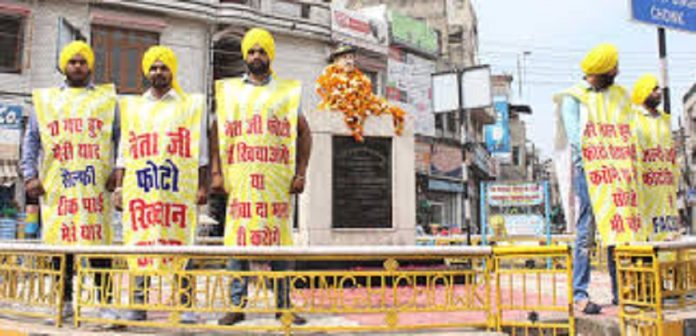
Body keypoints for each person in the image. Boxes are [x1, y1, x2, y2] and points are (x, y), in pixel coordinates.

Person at [212, 27, 311, 326]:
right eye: (251, 51)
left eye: (262, 51)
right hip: (240, 180)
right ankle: (236, 305)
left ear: (271, 55)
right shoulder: (229, 91)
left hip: (276, 182)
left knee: (279, 243)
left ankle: (284, 307)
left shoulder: (286, 91)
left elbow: (304, 131)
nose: (256, 56)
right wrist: (216, 172)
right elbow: (215, 130)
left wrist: (301, 172)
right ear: (245, 56)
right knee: (237, 241)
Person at [20, 40, 120, 321]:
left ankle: (107, 304)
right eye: (73, 61)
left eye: (82, 61)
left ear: (90, 65)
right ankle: (63, 303)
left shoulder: (106, 99)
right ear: (65, 65)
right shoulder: (47, 100)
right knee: (60, 247)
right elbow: (31, 141)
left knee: (98, 246)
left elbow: (121, 138)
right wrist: (29, 175)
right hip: (58, 187)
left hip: (95, 186)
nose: (78, 66)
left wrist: (118, 171)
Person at [113, 45, 208, 323]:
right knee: (140, 243)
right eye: (153, 68)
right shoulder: (133, 107)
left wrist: (202, 186)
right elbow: (123, 152)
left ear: (172, 70)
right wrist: (119, 188)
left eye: (163, 67)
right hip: (142, 190)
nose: (158, 72)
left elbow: (199, 152)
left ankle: (185, 304)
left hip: (177, 190)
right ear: (146, 71)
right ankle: (138, 303)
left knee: (182, 244)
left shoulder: (188, 106)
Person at [553, 43, 641, 314]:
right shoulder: (574, 97)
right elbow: (576, 137)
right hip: (590, 171)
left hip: (618, 172)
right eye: (613, 66)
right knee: (586, 231)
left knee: (618, 230)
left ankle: (621, 292)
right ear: (603, 70)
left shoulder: (620, 95)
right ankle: (580, 293)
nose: (617, 70)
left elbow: (630, 126)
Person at [631, 74, 680, 242]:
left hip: (666, 186)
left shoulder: (665, 120)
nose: (659, 92)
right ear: (643, 92)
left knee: (670, 237)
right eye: (654, 89)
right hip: (646, 189)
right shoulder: (633, 119)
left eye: (659, 88)